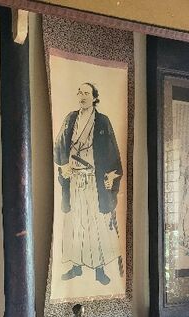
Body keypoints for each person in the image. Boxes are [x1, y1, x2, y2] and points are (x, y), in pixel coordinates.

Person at [54, 82, 123, 286]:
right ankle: (76, 266)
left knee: (95, 223)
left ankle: (99, 269)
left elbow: (112, 151)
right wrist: (63, 165)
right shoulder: (71, 118)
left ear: (94, 97)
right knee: (76, 222)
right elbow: (59, 144)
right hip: (74, 180)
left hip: (94, 180)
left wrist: (112, 175)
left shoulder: (102, 121)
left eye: (87, 93)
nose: (82, 96)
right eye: (80, 93)